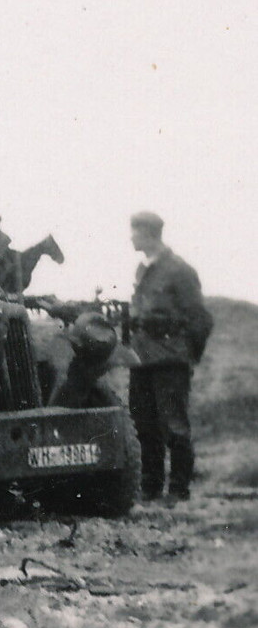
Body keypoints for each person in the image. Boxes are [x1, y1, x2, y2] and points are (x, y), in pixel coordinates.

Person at [128, 211, 213, 501]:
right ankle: (150, 488)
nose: (131, 237)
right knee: (144, 425)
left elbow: (200, 319)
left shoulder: (179, 270)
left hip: (170, 360)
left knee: (174, 426)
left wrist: (186, 356)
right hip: (141, 359)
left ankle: (178, 490)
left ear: (149, 234)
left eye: (135, 231)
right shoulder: (143, 270)